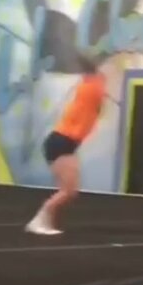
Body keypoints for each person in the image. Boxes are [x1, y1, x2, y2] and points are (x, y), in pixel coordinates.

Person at [26, 55, 106, 236]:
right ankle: (38, 220)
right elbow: (97, 81)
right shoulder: (92, 86)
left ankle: (45, 221)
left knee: (70, 190)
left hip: (66, 143)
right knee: (68, 190)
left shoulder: (90, 85)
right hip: (61, 142)